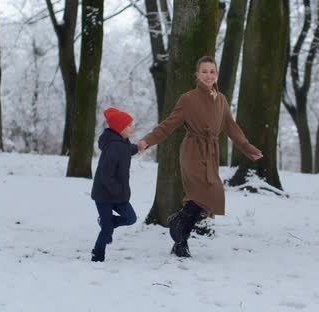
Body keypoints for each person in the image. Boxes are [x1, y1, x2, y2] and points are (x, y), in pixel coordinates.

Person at [138, 56, 263, 258]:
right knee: (201, 195)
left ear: (216, 74)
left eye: (212, 71)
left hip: (211, 153)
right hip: (192, 151)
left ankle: (180, 239)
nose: (208, 75)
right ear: (197, 75)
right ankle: (180, 229)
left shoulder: (221, 99)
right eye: (204, 71)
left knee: (211, 196)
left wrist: (247, 147)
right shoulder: (188, 99)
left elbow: (231, 127)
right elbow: (169, 124)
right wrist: (147, 141)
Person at [90, 108, 144, 262]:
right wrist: (117, 190)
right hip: (104, 195)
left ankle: (107, 222)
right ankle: (97, 254)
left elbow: (127, 150)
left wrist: (138, 148)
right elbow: (105, 174)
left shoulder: (122, 142)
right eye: (129, 125)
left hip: (118, 195)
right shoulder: (114, 146)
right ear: (120, 129)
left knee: (130, 218)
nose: (132, 128)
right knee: (106, 231)